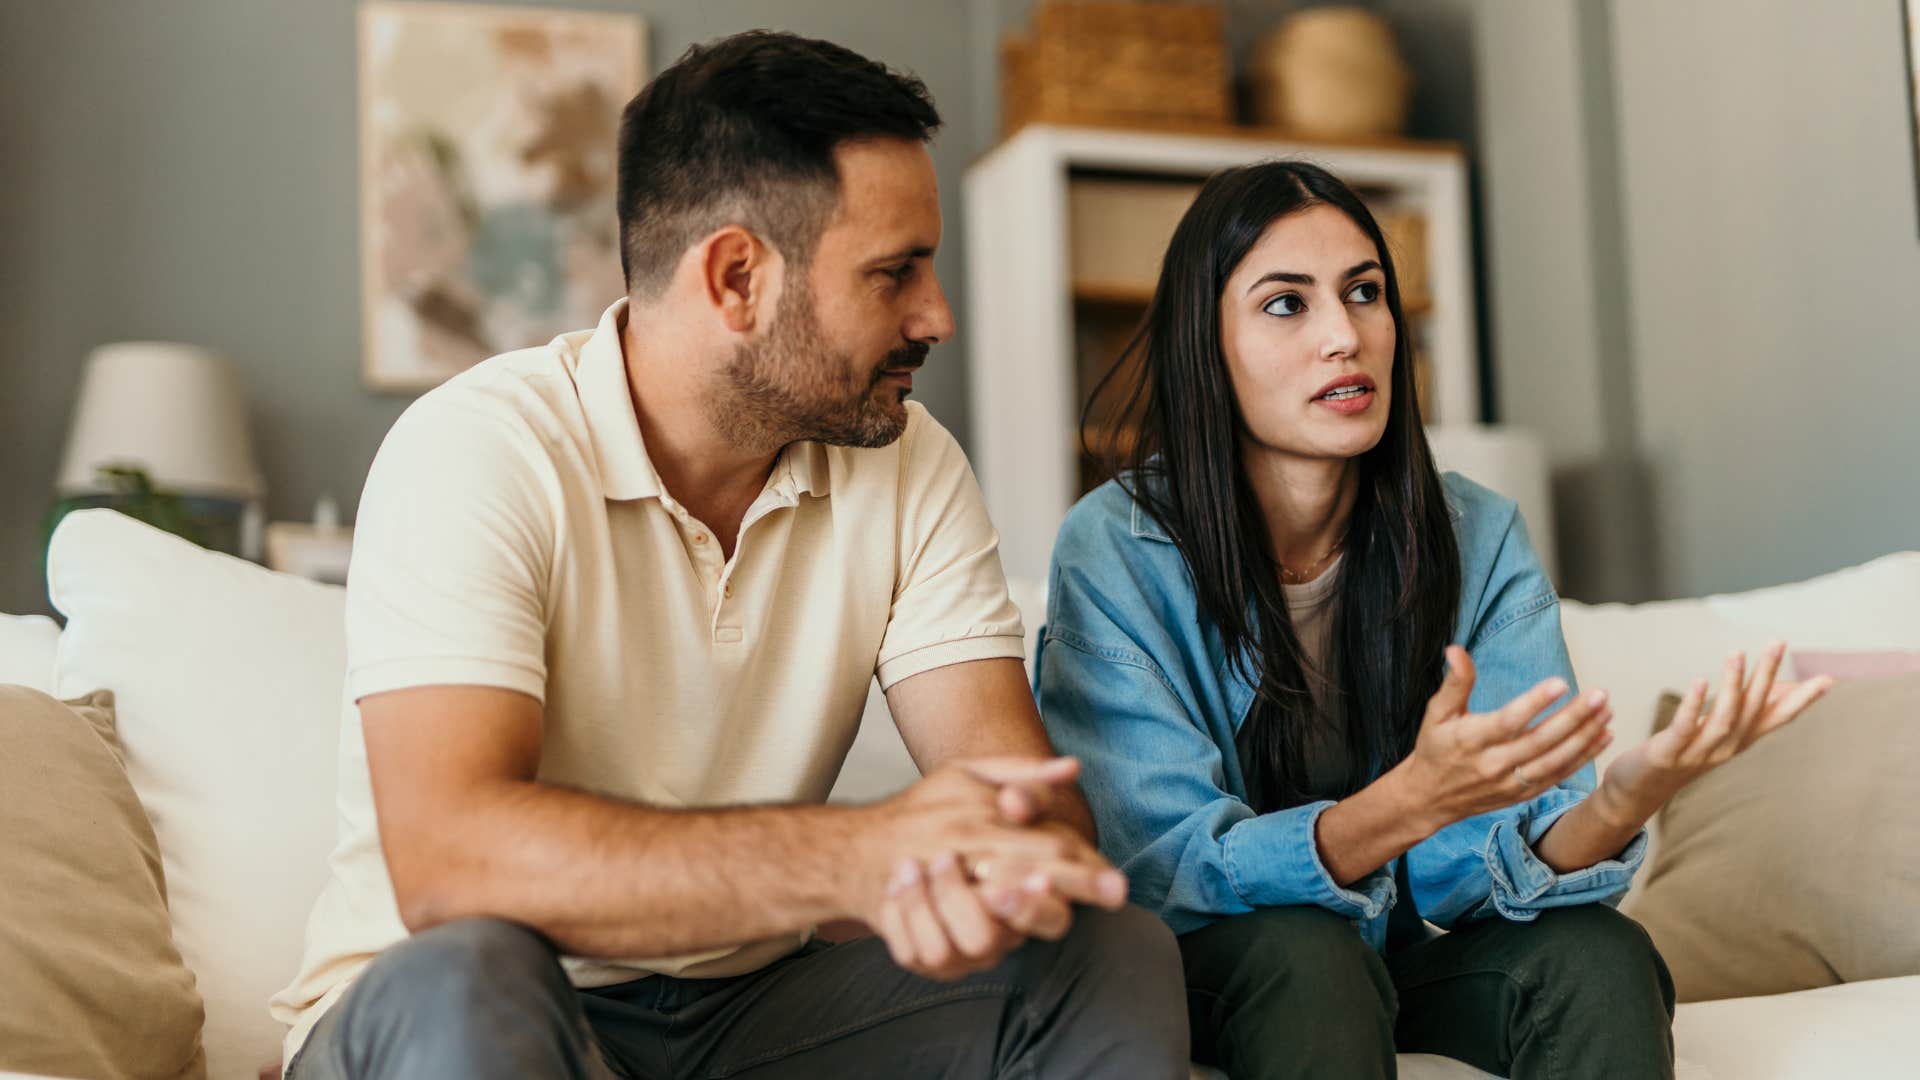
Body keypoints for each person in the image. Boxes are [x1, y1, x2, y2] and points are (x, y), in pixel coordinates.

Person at [270, 31, 1188, 1080]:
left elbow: (1018, 800)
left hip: (747, 1016)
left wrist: (992, 877)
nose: (935, 316)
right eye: (895, 274)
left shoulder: (907, 460)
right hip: (474, 1002)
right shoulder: (479, 449)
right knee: (474, 975)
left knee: (1101, 952)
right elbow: (453, 861)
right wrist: (851, 859)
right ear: (737, 276)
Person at [1033, 159, 1832, 1080]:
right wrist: (1405, 802)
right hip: (1220, 965)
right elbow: (1162, 868)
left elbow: (1489, 863)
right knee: (1306, 955)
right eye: (1287, 304)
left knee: (1599, 958)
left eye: (1364, 292)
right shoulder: (1116, 547)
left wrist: (1628, 794)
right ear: (1202, 344)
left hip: (1399, 957)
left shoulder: (1475, 533)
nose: (1344, 336)